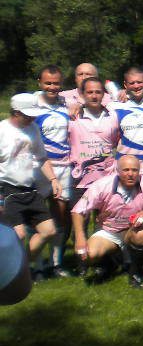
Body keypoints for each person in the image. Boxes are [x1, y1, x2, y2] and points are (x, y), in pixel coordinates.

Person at [70, 155, 143, 287]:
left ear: (139, 171)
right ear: (118, 171)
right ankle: (110, 264)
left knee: (140, 234)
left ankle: (135, 273)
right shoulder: (101, 185)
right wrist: (80, 238)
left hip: (134, 230)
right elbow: (78, 211)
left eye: (134, 170)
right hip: (110, 232)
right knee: (89, 254)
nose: (130, 174)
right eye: (126, 170)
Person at [1, 93, 62, 264]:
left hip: (30, 188)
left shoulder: (33, 128)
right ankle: (14, 271)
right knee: (18, 235)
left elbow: (41, 158)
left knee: (49, 231)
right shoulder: (2, 130)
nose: (33, 118)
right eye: (29, 115)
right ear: (16, 112)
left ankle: (22, 268)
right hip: (7, 189)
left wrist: (53, 180)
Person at [33, 65, 73, 276]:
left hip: (64, 167)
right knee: (38, 218)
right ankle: (38, 266)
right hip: (39, 167)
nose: (52, 87)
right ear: (39, 83)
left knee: (60, 216)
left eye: (56, 83)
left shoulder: (66, 104)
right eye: (48, 83)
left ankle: (56, 264)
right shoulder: (32, 105)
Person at [67, 77, 119, 210]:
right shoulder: (72, 117)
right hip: (80, 179)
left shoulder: (113, 116)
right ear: (82, 94)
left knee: (105, 219)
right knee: (79, 218)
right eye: (90, 92)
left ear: (103, 94)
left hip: (107, 179)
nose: (94, 96)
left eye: (98, 92)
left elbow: (115, 143)